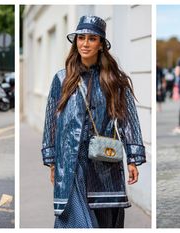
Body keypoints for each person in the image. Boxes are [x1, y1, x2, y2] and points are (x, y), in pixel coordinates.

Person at [41, 15, 146, 228]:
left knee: (105, 219)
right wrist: (52, 160)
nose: (85, 43)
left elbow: (128, 120)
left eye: (91, 38)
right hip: (71, 160)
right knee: (75, 220)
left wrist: (133, 158)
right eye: (81, 38)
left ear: (101, 45)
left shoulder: (115, 79)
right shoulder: (61, 79)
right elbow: (51, 121)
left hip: (104, 160)